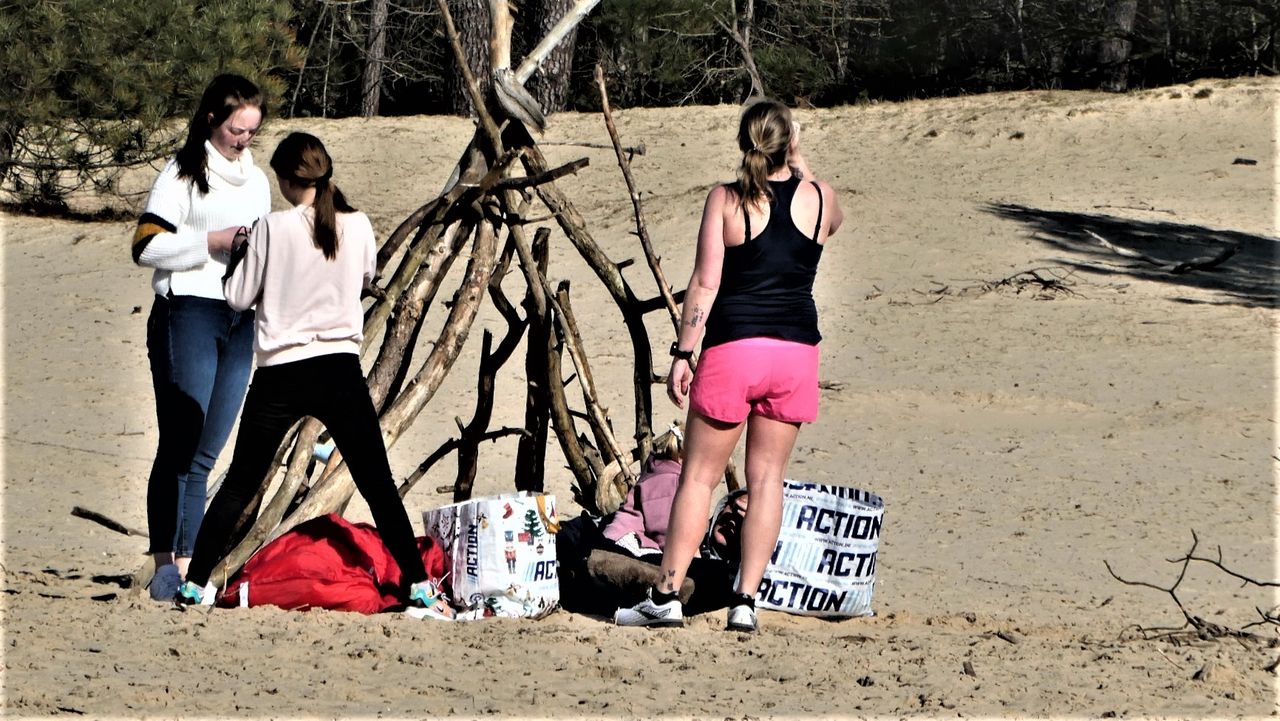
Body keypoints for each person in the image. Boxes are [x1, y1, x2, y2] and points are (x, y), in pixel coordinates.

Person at [173, 132, 439, 616]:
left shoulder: (270, 228)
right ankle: (419, 584)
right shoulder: (358, 224)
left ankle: (195, 585)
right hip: (339, 370)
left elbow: (237, 298)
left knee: (240, 483)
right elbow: (364, 277)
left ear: (286, 179)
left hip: (281, 372)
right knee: (377, 482)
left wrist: (240, 257)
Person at [615, 98, 843, 632]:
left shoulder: (726, 200)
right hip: (795, 353)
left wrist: (683, 352)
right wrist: (800, 161)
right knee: (767, 480)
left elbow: (705, 283)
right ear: (789, 141)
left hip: (733, 349)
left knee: (699, 477)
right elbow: (830, 220)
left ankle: (666, 595)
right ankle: (746, 600)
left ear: (744, 142)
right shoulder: (820, 197)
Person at [131, 74, 271, 601]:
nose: (244, 139)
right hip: (187, 310)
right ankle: (166, 565)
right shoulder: (182, 172)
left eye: (252, 131)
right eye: (237, 129)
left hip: (240, 318)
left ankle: (189, 568)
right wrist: (212, 241)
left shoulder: (258, 182)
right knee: (180, 443)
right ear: (212, 118)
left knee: (207, 453)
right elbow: (145, 245)